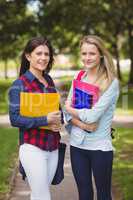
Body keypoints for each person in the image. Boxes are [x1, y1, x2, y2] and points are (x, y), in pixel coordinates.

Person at [65, 35, 119, 200]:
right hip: (77, 145)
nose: (87, 58)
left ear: (101, 55)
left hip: (99, 147)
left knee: (103, 195)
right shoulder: (79, 77)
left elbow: (92, 116)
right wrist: (82, 125)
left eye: (92, 54)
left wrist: (68, 108)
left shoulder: (110, 82)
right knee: (84, 194)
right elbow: (67, 114)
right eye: (84, 53)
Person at [9, 36, 63, 200]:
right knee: (43, 196)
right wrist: (45, 120)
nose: (43, 58)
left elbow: (55, 109)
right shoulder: (19, 85)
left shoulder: (48, 80)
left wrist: (57, 122)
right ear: (28, 56)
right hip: (33, 148)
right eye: (38, 53)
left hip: (53, 147)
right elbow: (15, 119)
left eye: (46, 54)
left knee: (39, 194)